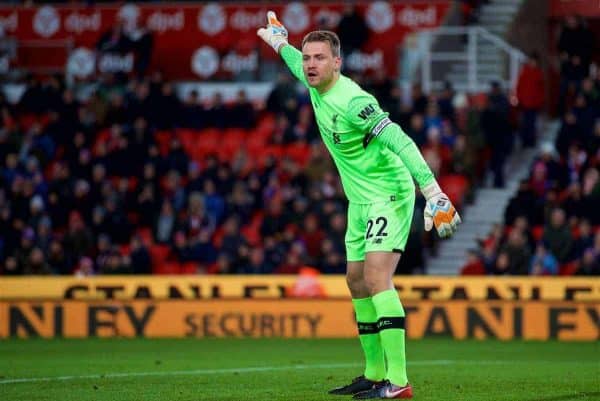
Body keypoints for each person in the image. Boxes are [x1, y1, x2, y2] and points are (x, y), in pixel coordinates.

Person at [257, 12, 461, 399]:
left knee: (376, 277)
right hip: (359, 198)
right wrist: (279, 43)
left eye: (319, 58)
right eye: (307, 58)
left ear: (338, 62)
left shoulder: (353, 101)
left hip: (389, 192)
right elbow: (291, 59)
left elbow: (399, 139)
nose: (310, 64)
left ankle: (398, 381)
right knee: (355, 280)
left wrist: (432, 192)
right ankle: (373, 372)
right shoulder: (312, 81)